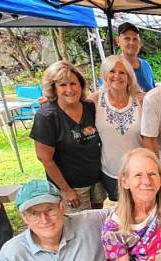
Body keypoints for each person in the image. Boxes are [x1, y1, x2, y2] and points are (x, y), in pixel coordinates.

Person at [31, 61, 106, 213]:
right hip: (72, 187)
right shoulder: (47, 116)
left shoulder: (89, 107)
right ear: (54, 88)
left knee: (96, 222)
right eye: (63, 85)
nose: (70, 89)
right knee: (77, 230)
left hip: (96, 181)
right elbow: (45, 159)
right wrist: (66, 190)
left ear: (81, 85)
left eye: (73, 83)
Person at [88, 55, 143, 201]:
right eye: (112, 71)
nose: (117, 76)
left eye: (122, 72)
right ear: (105, 74)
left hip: (139, 172)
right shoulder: (94, 100)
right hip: (111, 172)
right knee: (121, 214)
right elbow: (72, 107)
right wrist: (52, 101)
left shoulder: (141, 100)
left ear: (129, 77)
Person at [117, 22, 155, 92]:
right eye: (127, 38)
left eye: (135, 39)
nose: (132, 42)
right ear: (118, 41)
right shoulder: (113, 66)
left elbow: (153, 90)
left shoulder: (146, 65)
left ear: (140, 43)